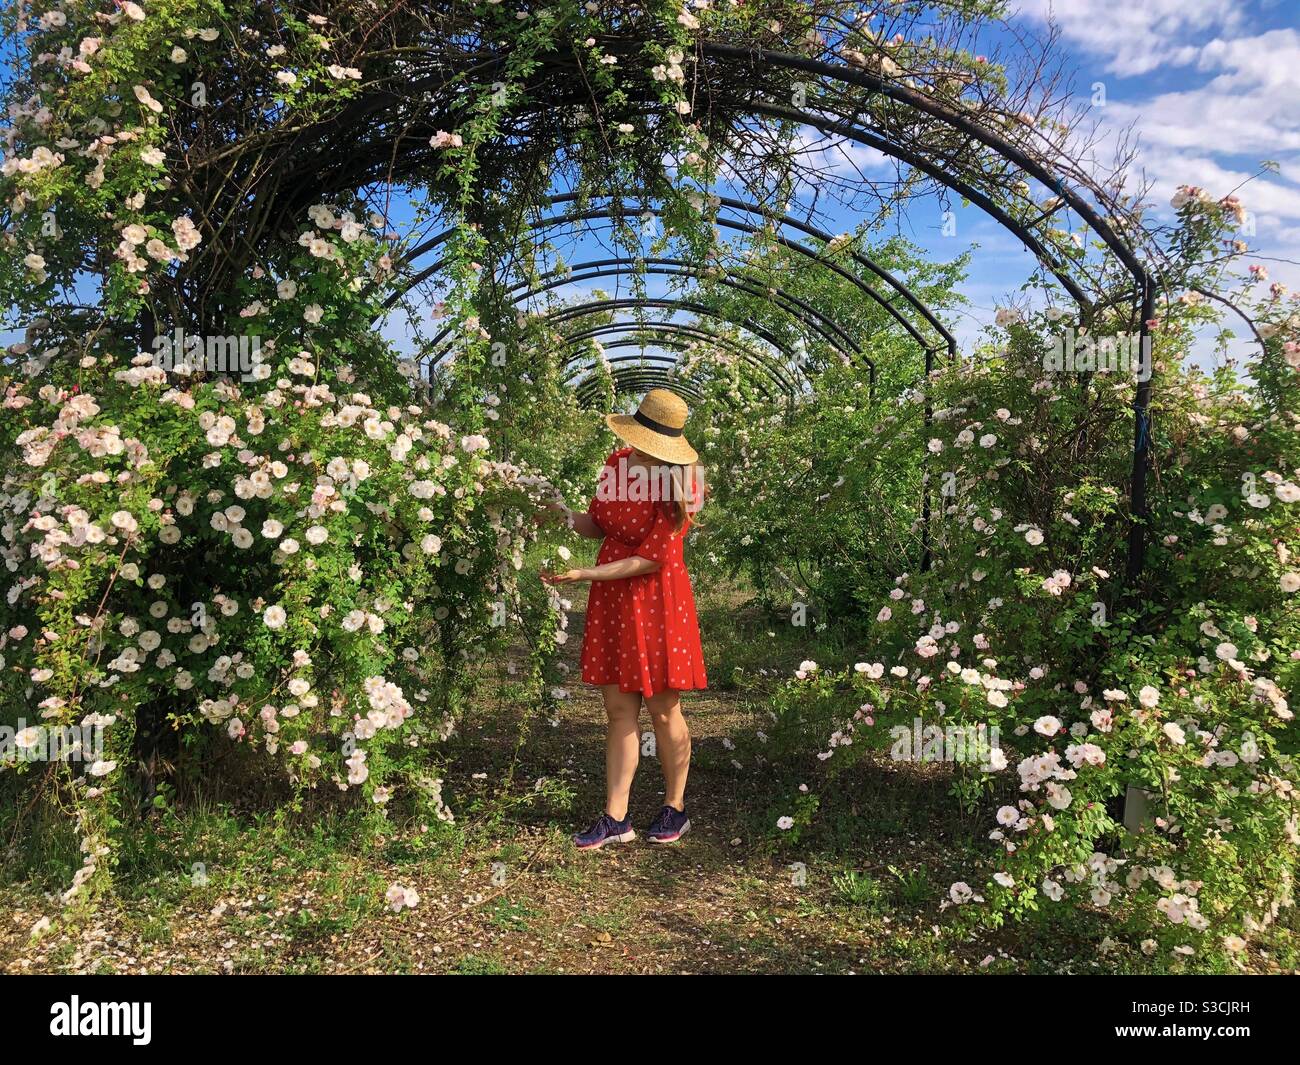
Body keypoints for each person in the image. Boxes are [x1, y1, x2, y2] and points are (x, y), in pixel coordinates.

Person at [541, 389, 707, 848]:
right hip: (615, 598)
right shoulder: (617, 463)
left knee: (662, 706)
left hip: (656, 599)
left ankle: (675, 806)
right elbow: (599, 524)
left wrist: (585, 573)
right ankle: (617, 817)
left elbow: (652, 559)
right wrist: (557, 514)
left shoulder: (682, 485)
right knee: (618, 708)